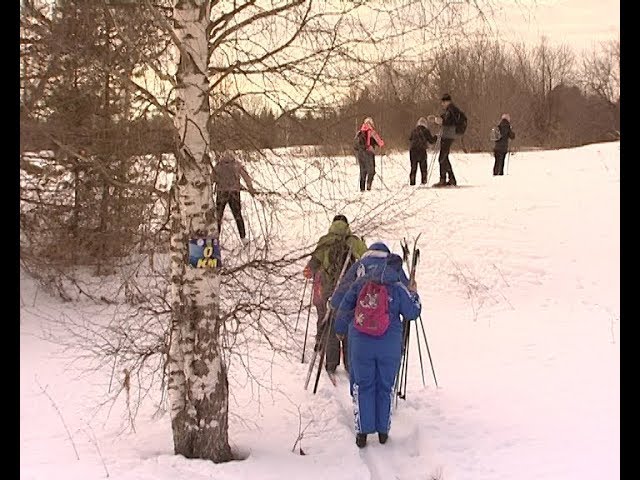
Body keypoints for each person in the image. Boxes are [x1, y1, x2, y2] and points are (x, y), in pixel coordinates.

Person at [334, 247, 421, 448]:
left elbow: (345, 308)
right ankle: (382, 432)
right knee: (385, 387)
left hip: (361, 343)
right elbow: (413, 312)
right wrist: (414, 293)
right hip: (389, 345)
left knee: (363, 386)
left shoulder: (360, 283)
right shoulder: (398, 288)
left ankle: (362, 433)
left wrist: (340, 330)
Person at [303, 215, 368, 373]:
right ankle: (349, 363)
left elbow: (315, 261)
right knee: (348, 324)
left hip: (329, 288)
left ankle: (331, 364)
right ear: (347, 225)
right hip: (350, 290)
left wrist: (309, 270)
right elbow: (366, 260)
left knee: (331, 323)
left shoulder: (325, 241)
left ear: (332, 225)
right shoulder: (354, 241)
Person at [212, 152, 257, 245]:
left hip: (221, 193)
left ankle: (216, 238)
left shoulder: (218, 166)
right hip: (234, 193)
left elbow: (211, 178)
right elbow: (246, 177)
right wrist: (250, 188)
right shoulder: (236, 165)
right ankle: (243, 237)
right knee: (238, 215)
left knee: (218, 217)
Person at [433, 93, 463, 187]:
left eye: (443, 102)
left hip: (448, 135)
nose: (442, 104)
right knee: (444, 157)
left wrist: (441, 121)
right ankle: (451, 178)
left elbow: (450, 121)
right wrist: (437, 119)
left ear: (447, 101)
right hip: (448, 135)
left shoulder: (452, 110)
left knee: (442, 157)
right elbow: (446, 118)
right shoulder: (451, 110)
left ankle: (443, 179)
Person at [354, 117, 385, 192]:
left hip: (360, 153)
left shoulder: (359, 132)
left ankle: (362, 188)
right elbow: (380, 143)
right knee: (371, 171)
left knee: (363, 171)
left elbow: (356, 145)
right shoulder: (371, 131)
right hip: (368, 153)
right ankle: (368, 186)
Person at [408, 117, 438, 186]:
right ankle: (423, 181)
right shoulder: (425, 130)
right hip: (422, 150)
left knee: (413, 167)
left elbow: (410, 139)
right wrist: (436, 137)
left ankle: (412, 182)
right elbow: (431, 141)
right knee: (423, 167)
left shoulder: (414, 130)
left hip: (413, 151)